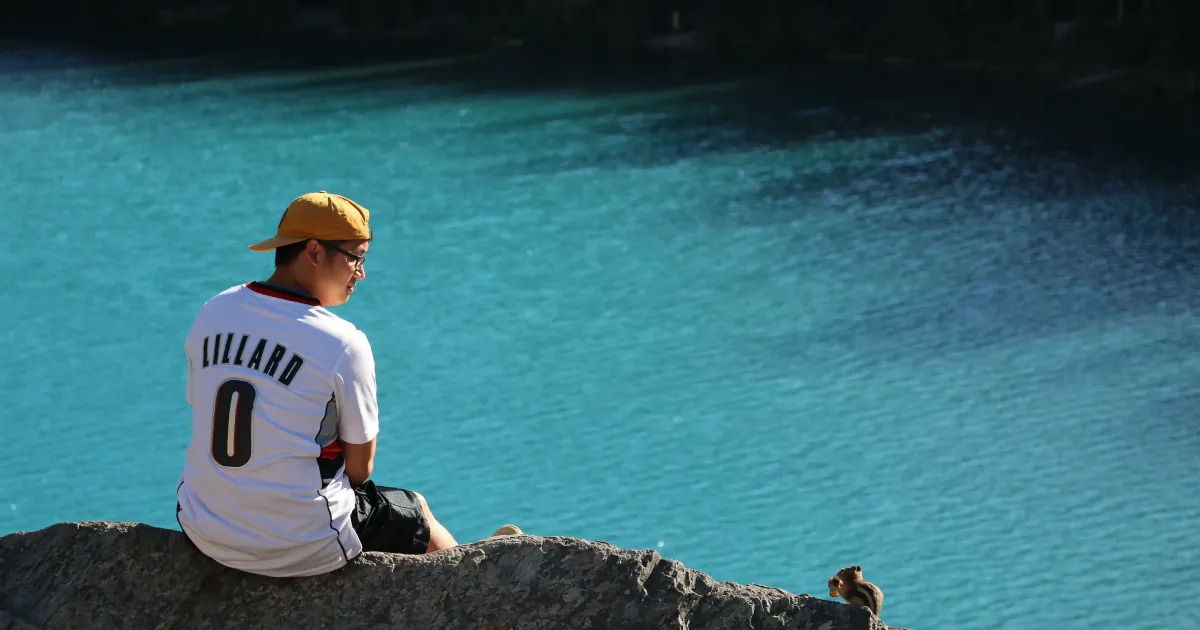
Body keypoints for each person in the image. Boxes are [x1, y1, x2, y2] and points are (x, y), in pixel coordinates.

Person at [174, 191, 521, 577]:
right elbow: (360, 469)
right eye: (356, 257)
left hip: (203, 525)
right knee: (413, 509)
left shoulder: (214, 310)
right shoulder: (342, 341)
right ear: (314, 251)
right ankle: (475, 579)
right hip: (297, 542)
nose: (361, 273)